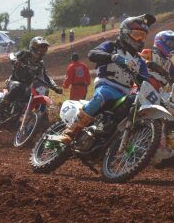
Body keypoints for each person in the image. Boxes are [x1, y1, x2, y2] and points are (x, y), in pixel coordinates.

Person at [59, 14, 156, 144]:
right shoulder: (111, 46)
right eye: (136, 35)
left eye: (142, 36)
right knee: (102, 95)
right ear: (125, 32)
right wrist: (112, 57)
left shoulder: (139, 61)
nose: (139, 40)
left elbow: (145, 79)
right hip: (107, 85)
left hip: (124, 93)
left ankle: (114, 139)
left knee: (134, 108)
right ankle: (72, 129)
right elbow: (92, 54)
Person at [0, 37, 62, 119]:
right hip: (14, 81)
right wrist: (14, 60)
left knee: (40, 92)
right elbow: (12, 55)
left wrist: (55, 87)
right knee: (18, 87)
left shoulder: (40, 64)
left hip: (27, 87)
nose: (43, 51)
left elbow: (45, 76)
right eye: (41, 48)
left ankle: (40, 118)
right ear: (34, 47)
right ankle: (1, 107)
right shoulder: (24, 54)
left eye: (44, 49)